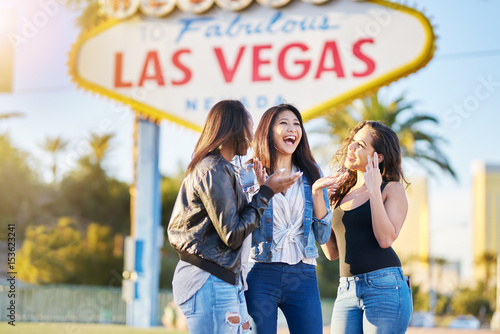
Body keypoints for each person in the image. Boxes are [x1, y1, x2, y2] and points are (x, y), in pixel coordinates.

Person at [167, 100, 301, 334]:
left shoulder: (222, 168)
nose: (251, 135)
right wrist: (266, 193)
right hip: (209, 279)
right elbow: (233, 234)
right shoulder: (213, 170)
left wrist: (262, 191)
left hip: (225, 279)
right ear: (234, 129)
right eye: (249, 127)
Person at [239, 104, 333, 334]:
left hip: (304, 275)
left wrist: (316, 194)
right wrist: (262, 193)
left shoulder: (312, 173)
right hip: (261, 272)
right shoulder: (248, 173)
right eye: (284, 123)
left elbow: (323, 236)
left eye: (296, 124)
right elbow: (241, 230)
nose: (292, 129)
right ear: (268, 131)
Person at [318, 120, 413, 334]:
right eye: (352, 142)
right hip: (346, 290)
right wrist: (319, 202)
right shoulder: (341, 195)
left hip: (385, 287)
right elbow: (332, 252)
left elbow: (385, 239)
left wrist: (373, 191)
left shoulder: (392, 189)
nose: (350, 148)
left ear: (378, 157)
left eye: (360, 145)